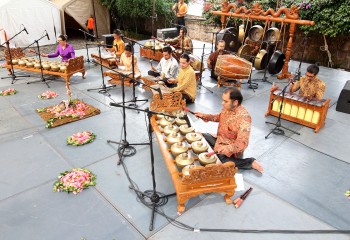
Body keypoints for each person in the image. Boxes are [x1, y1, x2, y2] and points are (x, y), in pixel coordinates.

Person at [194, 88, 264, 173]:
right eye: (223, 100)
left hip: (231, 148)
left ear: (235, 102)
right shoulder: (228, 108)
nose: (222, 103)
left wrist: (228, 148)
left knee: (219, 161)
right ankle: (217, 150)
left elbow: (243, 143)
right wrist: (205, 116)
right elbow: (219, 117)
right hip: (220, 139)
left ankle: (250, 162)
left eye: (225, 101)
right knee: (199, 136)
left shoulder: (245, 118)